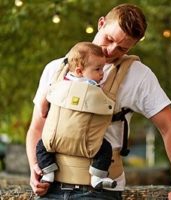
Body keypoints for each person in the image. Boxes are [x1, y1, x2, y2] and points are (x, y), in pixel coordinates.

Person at [26, 3, 171, 200]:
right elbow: (37, 128)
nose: (111, 50)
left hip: (99, 191)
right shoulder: (56, 69)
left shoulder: (138, 76)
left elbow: (169, 128)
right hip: (50, 187)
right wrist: (34, 168)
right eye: (109, 39)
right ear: (101, 24)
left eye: (122, 48)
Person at [36, 41, 117, 189]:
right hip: (87, 143)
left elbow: (45, 104)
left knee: (41, 145)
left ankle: (48, 173)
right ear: (80, 71)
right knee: (105, 148)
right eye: (98, 69)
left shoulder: (61, 80)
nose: (102, 74)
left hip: (54, 138)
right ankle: (97, 177)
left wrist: (43, 107)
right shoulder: (94, 86)